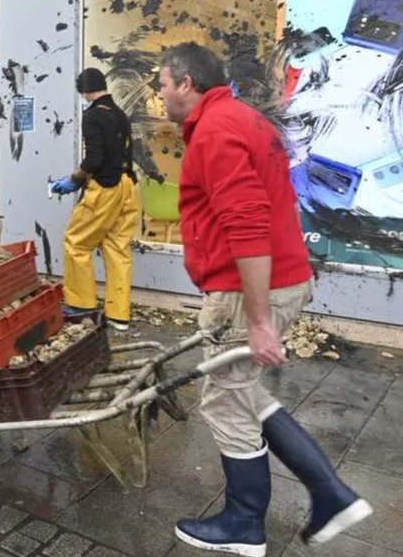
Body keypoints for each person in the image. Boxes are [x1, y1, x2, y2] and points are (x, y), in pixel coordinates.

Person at [156, 44, 371, 556]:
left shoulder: (215, 131)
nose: (160, 94)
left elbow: (248, 224)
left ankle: (244, 522)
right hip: (277, 280)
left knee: (227, 400)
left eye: (162, 83)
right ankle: (329, 493)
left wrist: (257, 320)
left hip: (247, 291)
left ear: (186, 82)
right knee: (242, 389)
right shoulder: (246, 120)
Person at [50, 68, 139, 330]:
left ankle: (81, 305)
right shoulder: (120, 114)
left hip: (105, 187)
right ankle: (118, 315)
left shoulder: (92, 116)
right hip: (127, 185)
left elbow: (94, 159)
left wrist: (74, 181)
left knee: (76, 243)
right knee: (117, 249)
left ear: (85, 91)